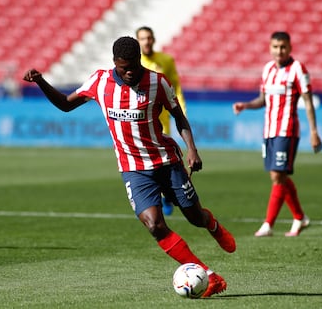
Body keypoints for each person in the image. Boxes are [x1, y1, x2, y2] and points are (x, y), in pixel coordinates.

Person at [23, 36, 236, 297]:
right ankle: (209, 275)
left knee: (194, 217)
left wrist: (192, 149)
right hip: (133, 168)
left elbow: (179, 117)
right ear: (115, 62)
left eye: (135, 65)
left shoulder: (158, 82)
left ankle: (212, 224)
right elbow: (66, 105)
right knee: (155, 225)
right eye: (125, 67)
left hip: (167, 162)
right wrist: (42, 82)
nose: (130, 72)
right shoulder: (100, 81)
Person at [232, 31, 322, 237]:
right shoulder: (267, 69)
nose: (279, 50)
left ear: (290, 48)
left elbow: (308, 102)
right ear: (270, 48)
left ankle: (268, 224)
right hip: (269, 131)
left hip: (287, 130)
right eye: (275, 46)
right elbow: (262, 99)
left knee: (278, 176)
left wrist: (314, 131)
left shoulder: (298, 69)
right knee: (277, 175)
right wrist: (246, 105)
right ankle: (300, 217)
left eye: (283, 47)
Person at [136, 26, 187, 216]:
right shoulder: (134, 62)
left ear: (154, 39)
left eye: (149, 37)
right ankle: (156, 195)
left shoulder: (165, 60)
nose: (147, 41)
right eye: (143, 38)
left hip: (161, 119)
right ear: (138, 41)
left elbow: (176, 87)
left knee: (161, 161)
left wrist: (181, 110)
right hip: (140, 121)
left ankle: (165, 195)